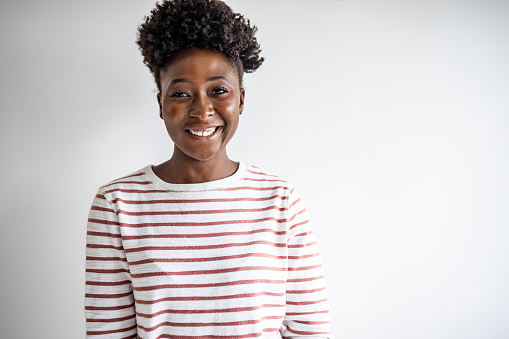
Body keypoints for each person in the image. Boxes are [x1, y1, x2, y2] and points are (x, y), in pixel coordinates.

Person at [85, 0, 332, 337]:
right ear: (160, 103)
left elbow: (310, 331)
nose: (202, 109)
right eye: (181, 93)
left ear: (241, 99)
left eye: (218, 90)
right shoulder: (117, 204)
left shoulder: (280, 201)